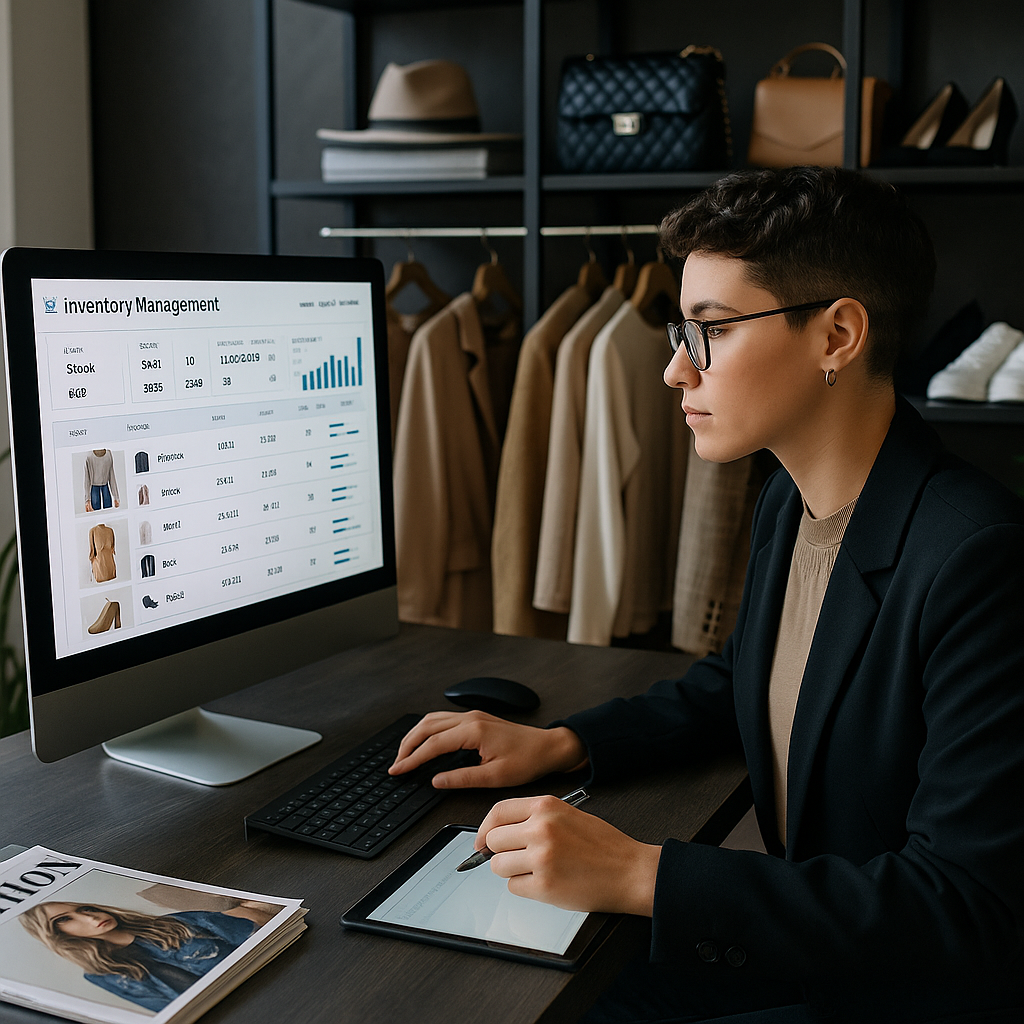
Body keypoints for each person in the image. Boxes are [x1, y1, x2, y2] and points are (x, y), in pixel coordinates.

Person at [389, 167, 1024, 1023]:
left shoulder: (979, 559)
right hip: (811, 943)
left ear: (837, 334)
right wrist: (566, 741)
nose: (674, 373)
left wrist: (639, 872)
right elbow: (741, 681)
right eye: (679, 331)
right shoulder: (786, 502)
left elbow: (962, 907)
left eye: (711, 331)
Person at [20, 900, 276, 1012]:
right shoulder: (103, 975)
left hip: (273, 979)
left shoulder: (177, 923)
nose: (91, 917)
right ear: (55, 934)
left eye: (85, 909)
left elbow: (260, 937)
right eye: (64, 919)